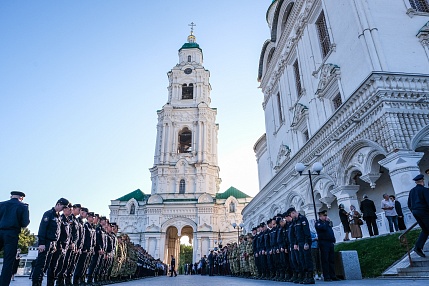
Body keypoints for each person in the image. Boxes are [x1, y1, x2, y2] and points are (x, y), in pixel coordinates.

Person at [32, 198, 70, 286]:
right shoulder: (48, 214)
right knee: (41, 265)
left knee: (48, 266)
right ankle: (36, 283)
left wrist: (56, 244)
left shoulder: (58, 217)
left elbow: (58, 232)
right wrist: (41, 243)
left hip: (53, 244)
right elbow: (42, 229)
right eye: (63, 207)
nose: (63, 210)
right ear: (58, 204)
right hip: (46, 243)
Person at [0, 191, 30, 286]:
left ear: (11, 196)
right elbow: (25, 223)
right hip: (11, 234)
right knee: (8, 262)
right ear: (21, 198)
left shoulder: (1, 204)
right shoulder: (23, 206)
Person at [407, 174, 429, 258]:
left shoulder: (412, 191)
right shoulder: (425, 190)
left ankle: (418, 247)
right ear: (422, 181)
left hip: (415, 212)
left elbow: (409, 204)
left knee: (425, 230)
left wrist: (413, 211)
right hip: (424, 212)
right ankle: (418, 247)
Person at [315, 210, 340, 282]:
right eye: (324, 216)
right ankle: (327, 276)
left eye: (326, 215)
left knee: (331, 260)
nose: (326, 217)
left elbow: (330, 231)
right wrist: (327, 222)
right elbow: (324, 228)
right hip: (323, 243)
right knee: (325, 260)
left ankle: (333, 275)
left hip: (330, 242)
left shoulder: (327, 223)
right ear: (320, 216)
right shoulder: (318, 223)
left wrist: (333, 239)